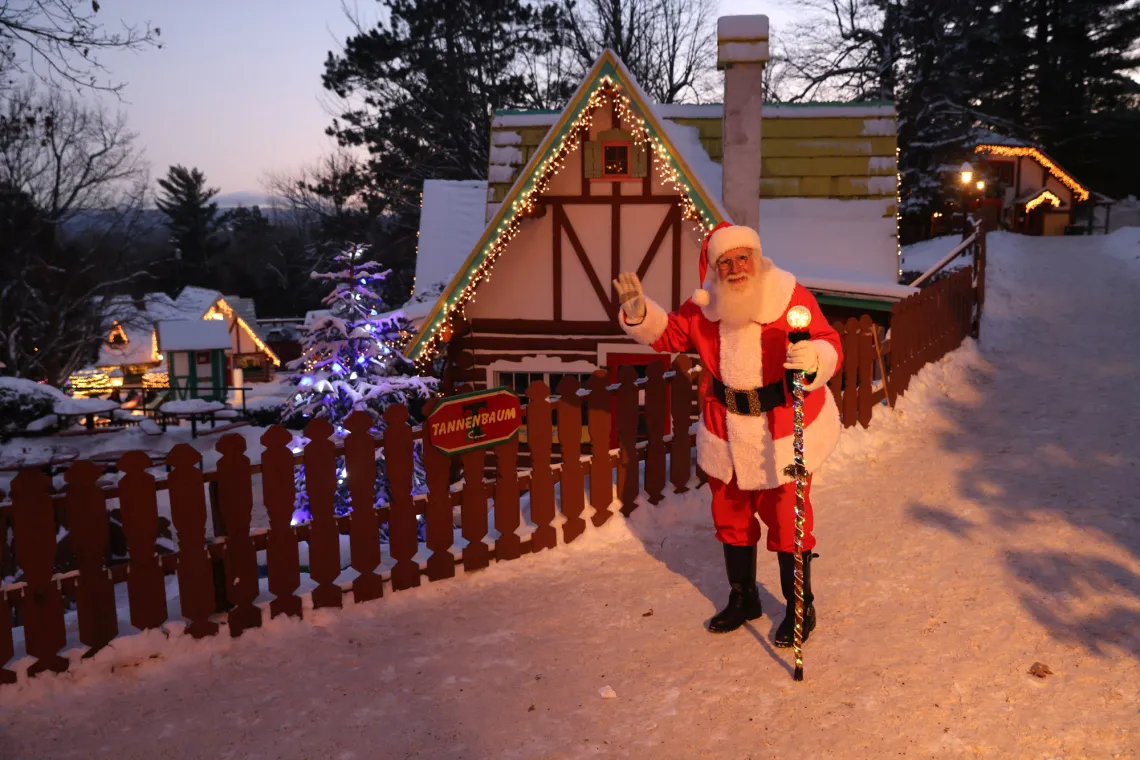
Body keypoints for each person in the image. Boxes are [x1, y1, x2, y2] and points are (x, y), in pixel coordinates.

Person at [612, 221, 843, 645]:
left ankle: (798, 605)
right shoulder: (704, 307)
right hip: (728, 429)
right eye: (726, 261)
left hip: (782, 425)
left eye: (743, 258)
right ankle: (744, 597)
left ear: (756, 258)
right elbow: (668, 334)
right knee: (730, 516)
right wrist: (639, 313)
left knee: (788, 519)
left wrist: (814, 358)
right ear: (714, 268)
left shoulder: (790, 294)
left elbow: (828, 340)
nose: (736, 268)